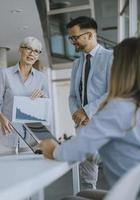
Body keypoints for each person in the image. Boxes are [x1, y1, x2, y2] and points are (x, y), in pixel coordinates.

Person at [40, 37, 140, 199]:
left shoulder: (119, 108)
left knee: (67, 199)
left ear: (121, 69)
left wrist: (53, 149)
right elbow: (126, 153)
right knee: (83, 193)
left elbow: (72, 152)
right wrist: (91, 152)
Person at [67, 16, 113, 190]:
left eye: (75, 37)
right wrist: (78, 116)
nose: (72, 42)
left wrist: (87, 111)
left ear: (90, 34)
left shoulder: (110, 57)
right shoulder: (77, 64)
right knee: (87, 180)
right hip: (83, 128)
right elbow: (72, 96)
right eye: (70, 38)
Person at [0, 36, 49, 154]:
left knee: (28, 171)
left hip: (30, 137)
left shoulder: (42, 78)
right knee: (4, 171)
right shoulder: (5, 74)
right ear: (20, 50)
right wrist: (1, 117)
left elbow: (46, 107)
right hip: (6, 135)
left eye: (36, 51)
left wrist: (43, 97)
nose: (32, 53)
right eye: (29, 49)